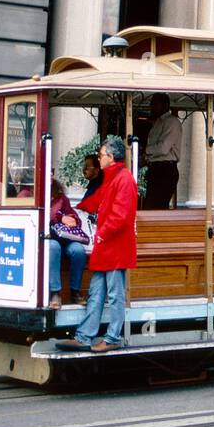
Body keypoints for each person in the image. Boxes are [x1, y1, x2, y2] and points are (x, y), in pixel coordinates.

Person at [59, 137, 138, 352]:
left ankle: (112, 338)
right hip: (108, 246)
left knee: (114, 294)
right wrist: (73, 210)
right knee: (97, 292)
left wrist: (102, 233)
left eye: (101, 154)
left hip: (114, 246)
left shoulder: (123, 179)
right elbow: (96, 201)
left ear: (111, 157)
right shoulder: (114, 177)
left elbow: (121, 215)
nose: (99, 158)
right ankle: (85, 335)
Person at [48, 178, 89, 309]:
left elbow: (72, 214)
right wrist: (61, 218)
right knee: (53, 247)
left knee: (78, 250)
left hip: (65, 239)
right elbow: (45, 214)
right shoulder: (30, 193)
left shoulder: (61, 197)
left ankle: (75, 291)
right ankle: (55, 292)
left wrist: (73, 219)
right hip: (47, 239)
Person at [142, 95, 182, 210]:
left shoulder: (172, 122)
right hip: (156, 168)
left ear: (165, 105)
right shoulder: (158, 122)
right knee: (150, 206)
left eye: (155, 104)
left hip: (165, 170)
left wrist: (146, 151)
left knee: (157, 207)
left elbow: (164, 148)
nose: (151, 107)